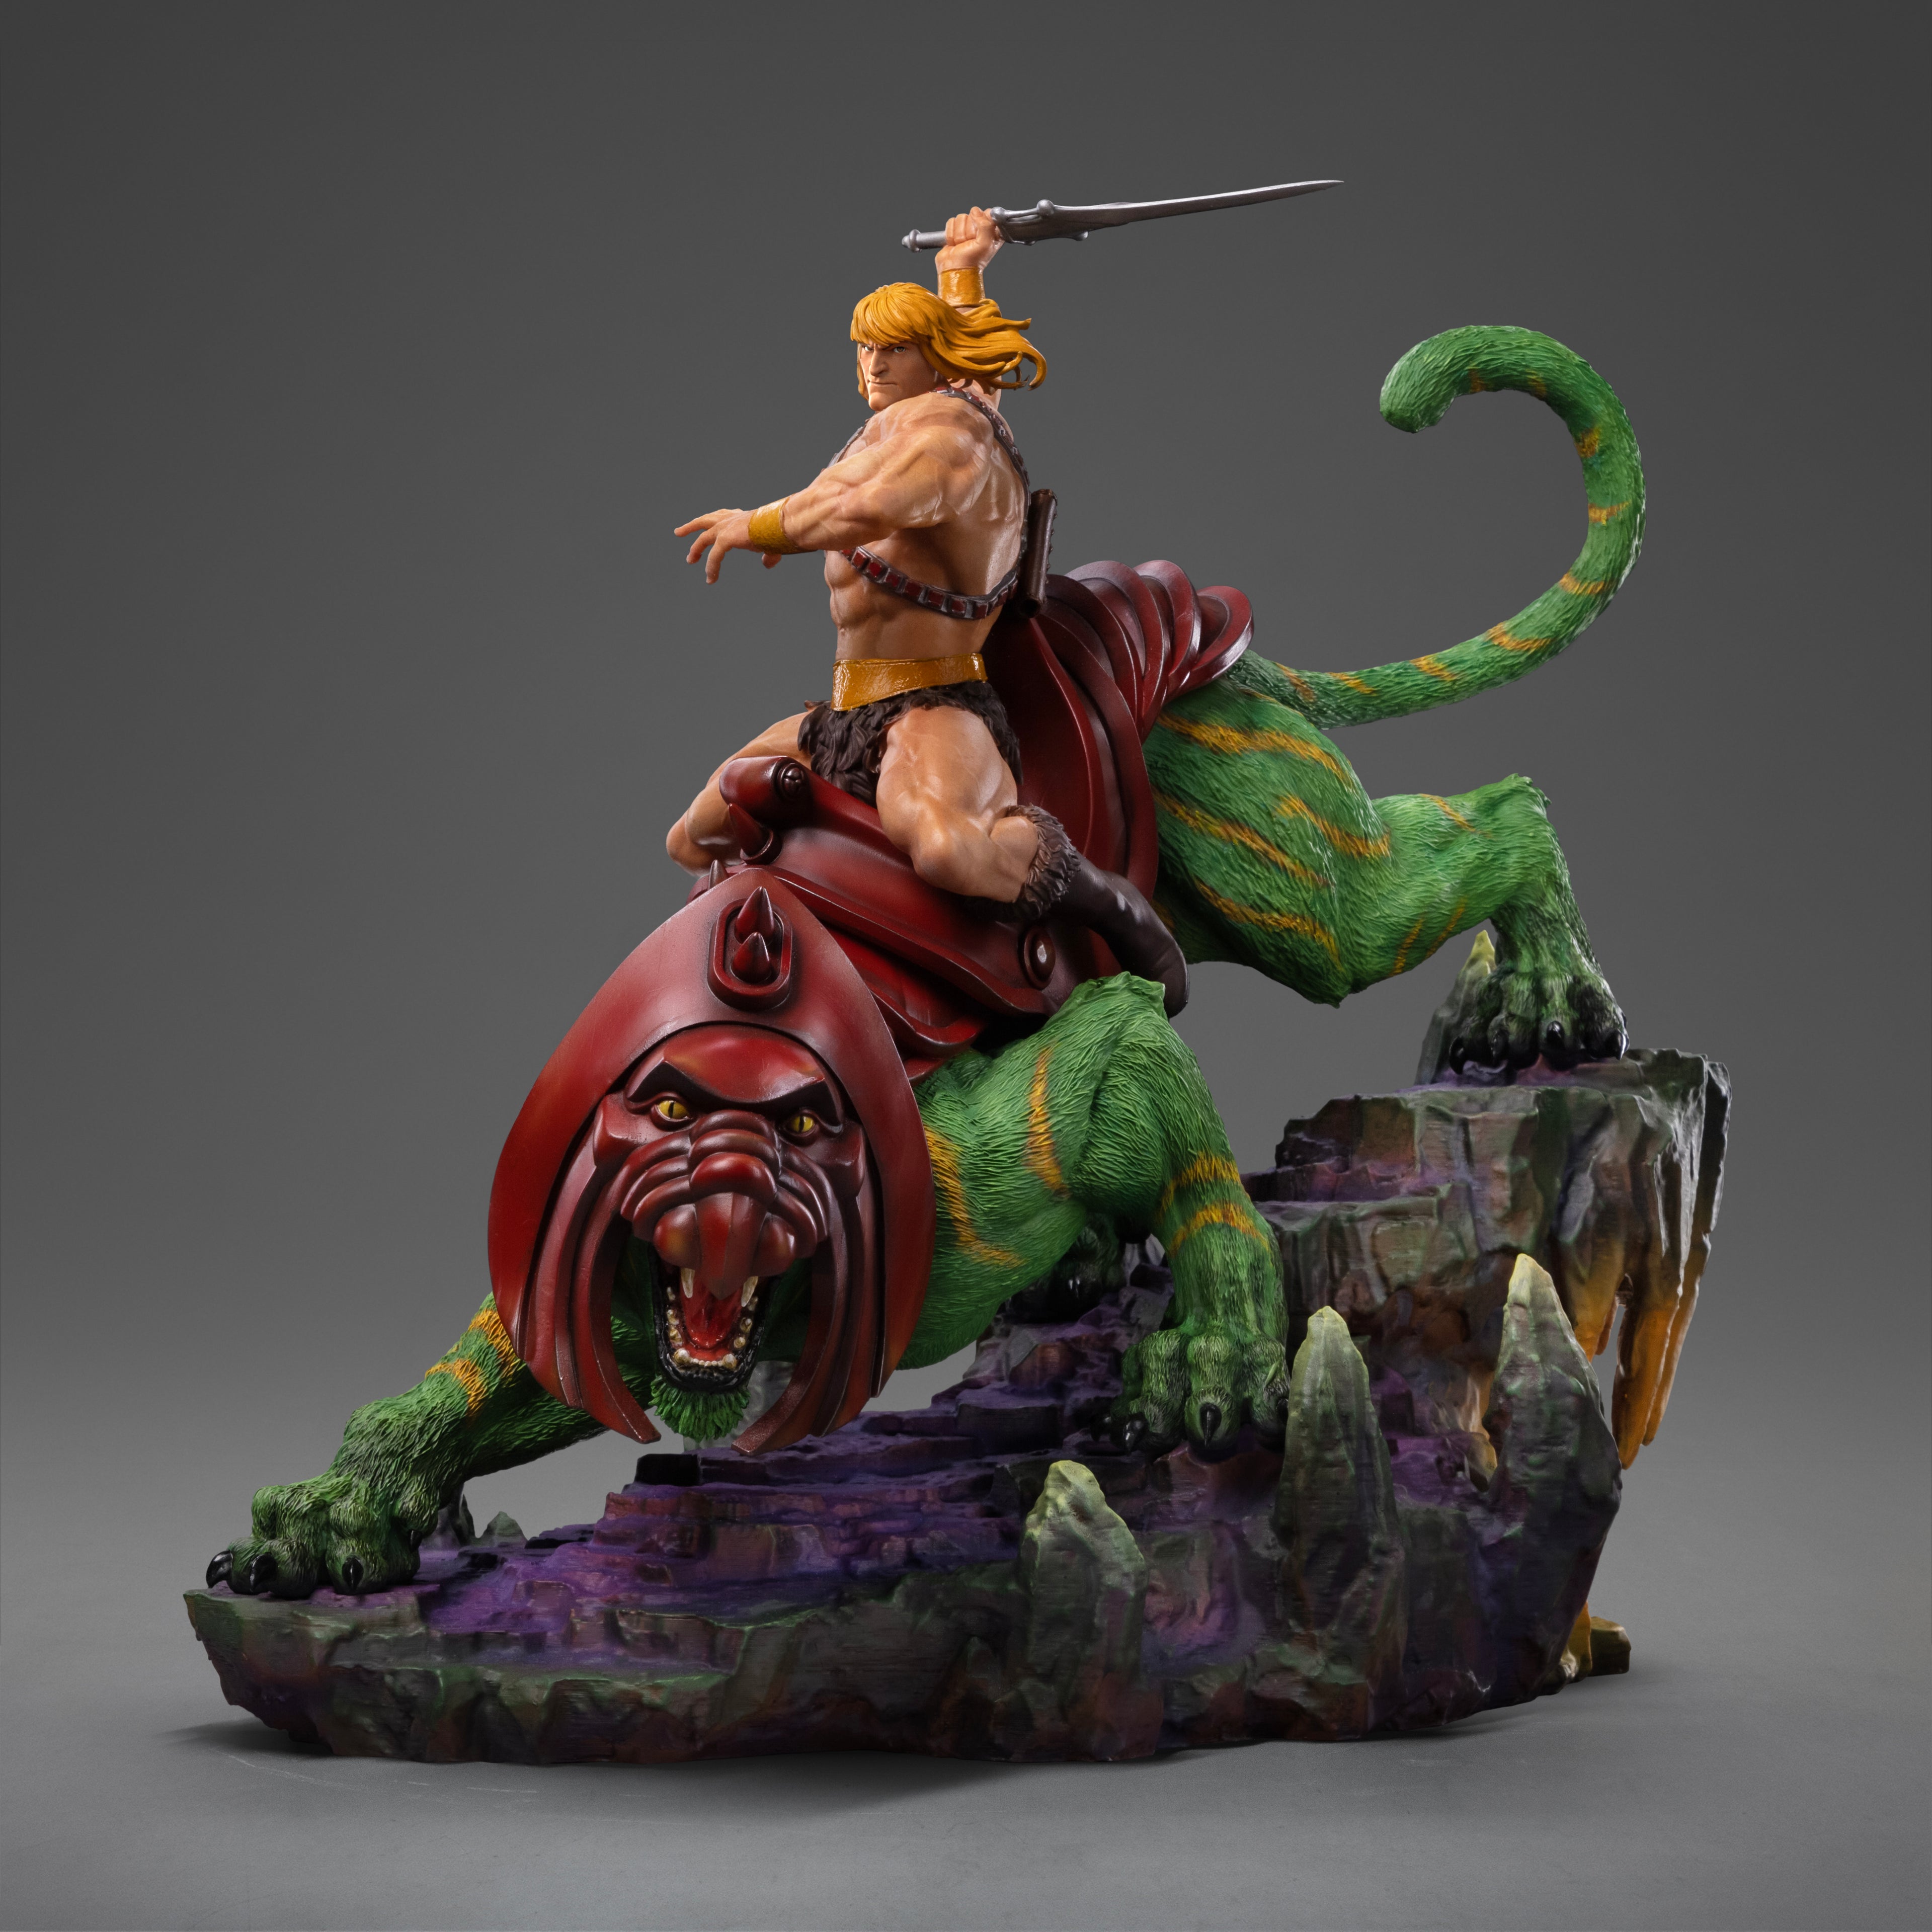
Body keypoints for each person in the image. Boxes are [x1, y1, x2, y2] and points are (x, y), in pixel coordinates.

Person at [668, 209, 1187, 1013]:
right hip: (846, 713)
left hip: (934, 705)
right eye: (866, 349)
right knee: (698, 831)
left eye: (897, 349)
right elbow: (932, 398)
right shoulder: (890, 429)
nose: (875, 365)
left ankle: (1108, 902)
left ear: (933, 358)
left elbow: (863, 508)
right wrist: (961, 265)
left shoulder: (955, 443)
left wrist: (761, 525)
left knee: (944, 847)